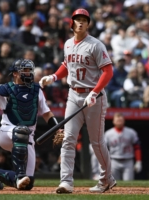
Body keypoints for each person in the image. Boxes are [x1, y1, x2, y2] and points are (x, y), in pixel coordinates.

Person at [39, 8, 116, 193]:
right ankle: (66, 182)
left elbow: (108, 71)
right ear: (72, 23)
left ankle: (107, 179)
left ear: (88, 24)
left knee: (96, 142)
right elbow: (67, 64)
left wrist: (95, 92)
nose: (80, 22)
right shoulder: (67, 44)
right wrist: (54, 77)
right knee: (68, 139)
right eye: (77, 19)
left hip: (93, 97)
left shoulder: (96, 45)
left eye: (84, 20)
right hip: (74, 95)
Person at [0, 59, 60, 191]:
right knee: (21, 131)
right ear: (15, 73)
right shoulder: (5, 88)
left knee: (28, 183)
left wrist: (57, 129)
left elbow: (47, 113)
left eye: (30, 70)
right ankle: (19, 176)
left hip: (28, 139)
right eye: (24, 70)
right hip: (6, 132)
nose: (29, 73)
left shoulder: (37, 90)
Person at [104, 112, 142, 180]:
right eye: (117, 120)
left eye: (120, 120)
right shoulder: (108, 134)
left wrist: (138, 161)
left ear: (124, 121)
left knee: (129, 184)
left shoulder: (131, 132)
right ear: (113, 121)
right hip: (114, 161)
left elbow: (137, 147)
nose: (119, 122)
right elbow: (104, 149)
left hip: (128, 161)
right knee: (113, 184)